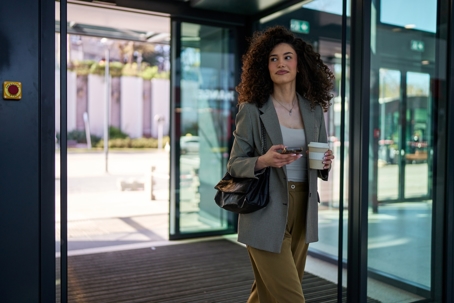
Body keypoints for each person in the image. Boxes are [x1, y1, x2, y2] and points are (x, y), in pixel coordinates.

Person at [227, 25, 335, 303]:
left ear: (300, 65)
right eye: (273, 59)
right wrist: (264, 160)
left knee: (267, 294)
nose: (281, 63)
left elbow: (319, 164)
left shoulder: (313, 110)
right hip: (265, 210)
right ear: (266, 67)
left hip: (304, 208)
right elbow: (235, 165)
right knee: (290, 297)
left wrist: (325, 162)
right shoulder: (252, 110)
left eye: (287, 57)